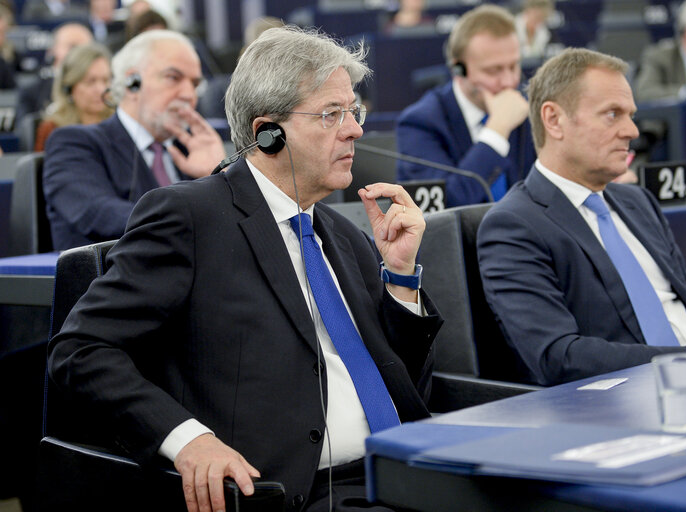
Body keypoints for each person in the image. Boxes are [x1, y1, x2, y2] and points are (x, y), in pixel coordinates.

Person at [48, 25, 442, 512]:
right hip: (290, 492)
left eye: (353, 111)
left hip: (402, 473)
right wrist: (188, 440)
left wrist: (400, 278)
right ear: (268, 134)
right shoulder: (190, 218)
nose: (355, 128)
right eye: (331, 114)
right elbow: (80, 351)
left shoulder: (346, 236)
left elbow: (409, 388)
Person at [477, 47, 686, 387]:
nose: (632, 131)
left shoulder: (637, 202)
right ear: (554, 120)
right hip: (634, 397)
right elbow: (557, 356)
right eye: (613, 114)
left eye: (631, 114)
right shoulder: (513, 225)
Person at [43, 29, 225, 251]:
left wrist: (216, 177)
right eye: (173, 78)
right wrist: (192, 217)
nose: (189, 94)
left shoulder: (192, 149)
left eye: (195, 84)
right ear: (132, 82)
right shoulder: (74, 143)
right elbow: (98, 214)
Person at [396, 4, 535, 208]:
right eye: (493, 70)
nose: (508, 81)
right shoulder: (420, 123)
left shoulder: (529, 110)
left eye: (514, 66)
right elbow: (445, 206)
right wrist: (496, 132)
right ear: (458, 69)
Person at [35, 42, 113, 151]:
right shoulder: (52, 128)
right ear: (69, 87)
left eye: (106, 80)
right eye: (90, 82)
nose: (101, 90)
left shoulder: (122, 124)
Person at [16, 22, 93, 123]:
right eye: (72, 47)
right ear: (52, 50)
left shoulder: (101, 90)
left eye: (85, 50)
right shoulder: (32, 92)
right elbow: (25, 131)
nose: (78, 55)